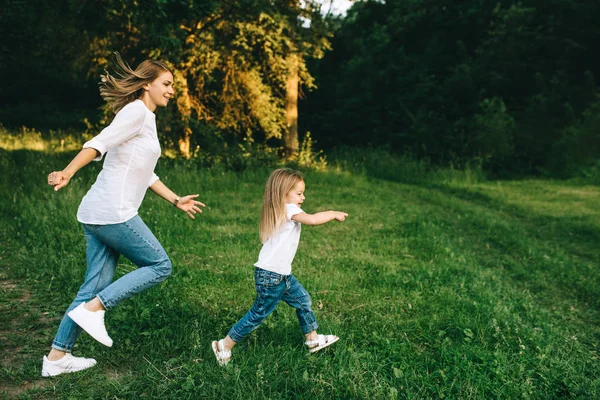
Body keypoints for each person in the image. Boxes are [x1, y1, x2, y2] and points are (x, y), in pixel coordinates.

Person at [41, 54, 205, 377]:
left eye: (173, 86)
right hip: (113, 212)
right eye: (167, 84)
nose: (172, 90)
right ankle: (95, 309)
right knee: (160, 264)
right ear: (147, 85)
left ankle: (57, 357)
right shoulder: (136, 112)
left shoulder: (146, 117)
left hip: (97, 212)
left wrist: (176, 200)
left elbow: (147, 173)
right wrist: (68, 172)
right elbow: (98, 144)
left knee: (92, 285)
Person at [211, 168, 348, 366]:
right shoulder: (289, 209)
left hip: (282, 275)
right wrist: (333, 213)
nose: (303, 197)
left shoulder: (282, 209)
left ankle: (312, 339)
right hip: (272, 275)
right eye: (299, 193)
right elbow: (313, 220)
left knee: (303, 301)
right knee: (258, 314)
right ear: (284, 194)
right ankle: (223, 345)